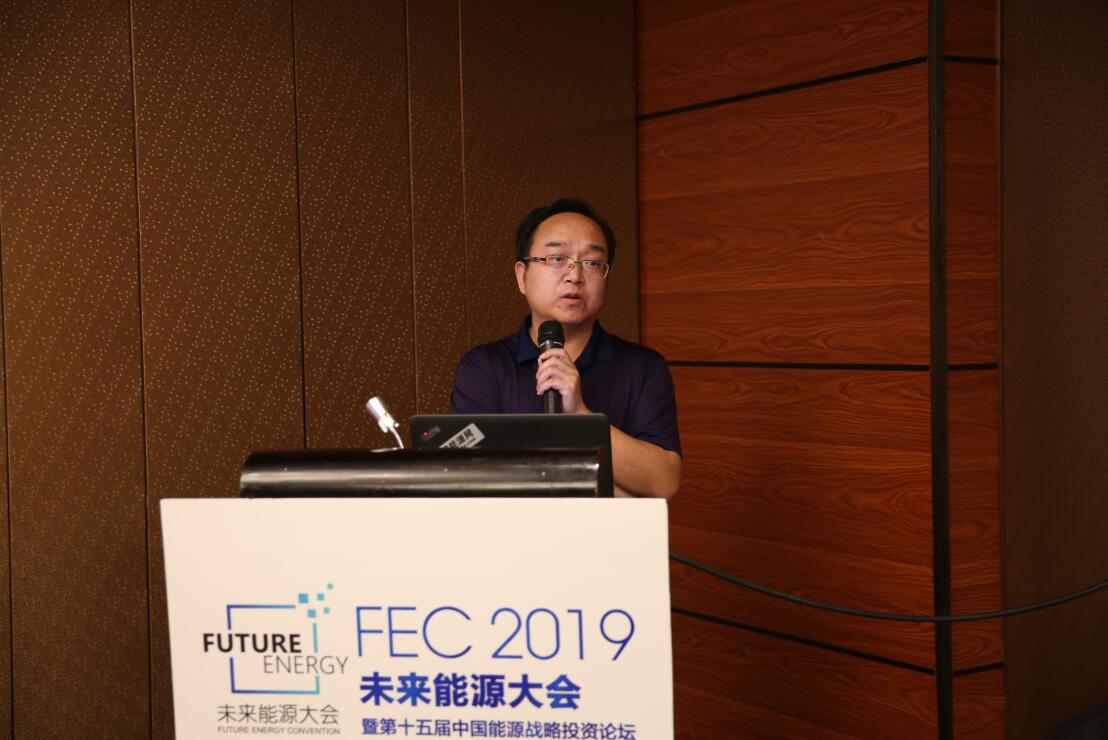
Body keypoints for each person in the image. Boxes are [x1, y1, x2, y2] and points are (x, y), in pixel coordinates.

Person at [450, 198, 681, 499]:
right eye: (557, 258)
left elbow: (663, 483)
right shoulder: (483, 366)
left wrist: (582, 415)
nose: (575, 275)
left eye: (592, 263)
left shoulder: (644, 368)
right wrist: (615, 489)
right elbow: (467, 483)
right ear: (522, 276)